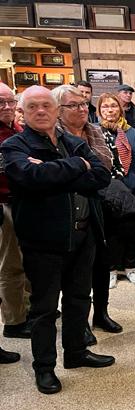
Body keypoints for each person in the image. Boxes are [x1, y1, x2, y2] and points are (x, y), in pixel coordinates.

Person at [1, 86, 114, 394]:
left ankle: (76, 352)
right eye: (33, 106)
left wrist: (54, 172)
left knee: (79, 299)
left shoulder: (73, 142)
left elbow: (101, 176)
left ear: (56, 111)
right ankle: (45, 368)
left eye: (46, 105)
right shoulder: (14, 146)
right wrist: (77, 166)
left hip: (82, 233)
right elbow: (31, 177)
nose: (41, 111)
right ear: (23, 112)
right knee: (45, 308)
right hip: (43, 240)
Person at [53, 85, 124, 336]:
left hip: (98, 203)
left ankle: (101, 314)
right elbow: (58, 174)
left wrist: (78, 170)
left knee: (101, 261)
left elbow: (105, 168)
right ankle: (79, 322)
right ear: (58, 110)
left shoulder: (94, 130)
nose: (82, 109)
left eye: (84, 104)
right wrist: (81, 171)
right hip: (68, 209)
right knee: (75, 270)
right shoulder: (55, 135)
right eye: (74, 105)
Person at [97, 93, 135, 289]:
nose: (110, 110)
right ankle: (111, 269)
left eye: (113, 106)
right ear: (99, 110)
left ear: (120, 108)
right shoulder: (95, 132)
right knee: (109, 231)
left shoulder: (133, 133)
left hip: (131, 187)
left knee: (131, 229)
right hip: (106, 190)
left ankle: (131, 267)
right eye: (105, 107)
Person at [0, 83, 30, 341]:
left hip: (23, 203)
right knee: (10, 266)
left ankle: (28, 309)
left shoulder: (17, 129)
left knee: (27, 261)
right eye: (1, 103)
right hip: (3, 206)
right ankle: (14, 321)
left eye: (11, 101)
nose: (8, 107)